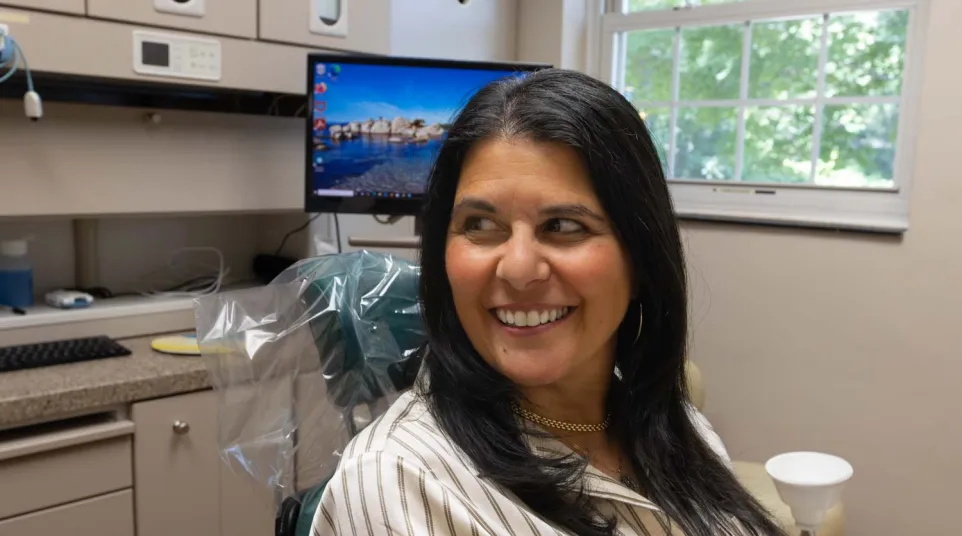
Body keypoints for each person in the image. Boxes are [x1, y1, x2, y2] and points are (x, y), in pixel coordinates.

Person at [311, 69, 785, 536]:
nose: (517, 268)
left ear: (641, 259)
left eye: (563, 226)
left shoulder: (678, 427)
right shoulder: (399, 485)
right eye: (479, 224)